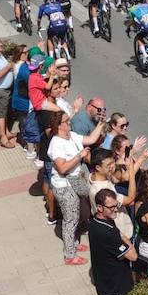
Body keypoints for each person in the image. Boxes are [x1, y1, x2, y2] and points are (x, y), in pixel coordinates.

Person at [47, 110, 103, 265]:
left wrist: (101, 124)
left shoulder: (71, 135)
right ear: (59, 125)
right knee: (70, 219)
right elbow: (62, 168)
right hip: (64, 185)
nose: (69, 122)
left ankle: (74, 244)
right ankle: (69, 255)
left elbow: (91, 139)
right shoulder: (56, 144)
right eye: (66, 121)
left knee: (76, 215)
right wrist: (80, 155)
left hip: (75, 181)